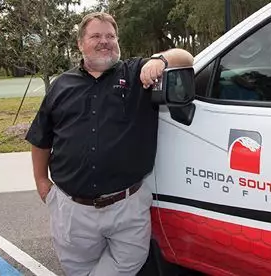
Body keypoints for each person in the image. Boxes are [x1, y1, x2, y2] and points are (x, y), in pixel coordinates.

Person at [25, 12, 194, 275]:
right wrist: (40, 181)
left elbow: (185, 56)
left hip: (127, 207)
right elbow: (41, 138)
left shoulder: (138, 74)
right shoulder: (61, 86)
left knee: (128, 263)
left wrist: (159, 60)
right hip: (72, 210)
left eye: (110, 36)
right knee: (78, 270)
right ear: (80, 43)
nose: (105, 41)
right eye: (96, 36)